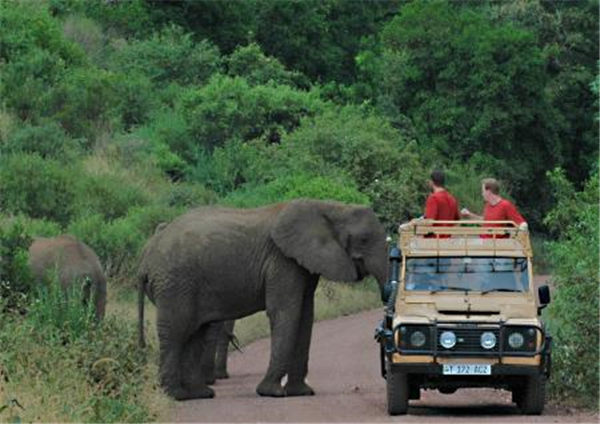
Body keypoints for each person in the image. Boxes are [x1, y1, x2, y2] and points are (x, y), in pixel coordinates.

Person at [461, 178, 527, 233]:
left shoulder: (505, 205)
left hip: (498, 245)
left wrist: (511, 232)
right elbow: (486, 222)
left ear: (488, 191)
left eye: (483, 191)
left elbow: (523, 225)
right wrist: (469, 215)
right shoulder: (488, 205)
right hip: (485, 242)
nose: (482, 194)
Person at [423, 169, 460, 238]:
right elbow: (456, 219)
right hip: (447, 241)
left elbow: (428, 223)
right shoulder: (452, 199)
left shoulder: (433, 198)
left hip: (433, 241)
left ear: (431, 182)